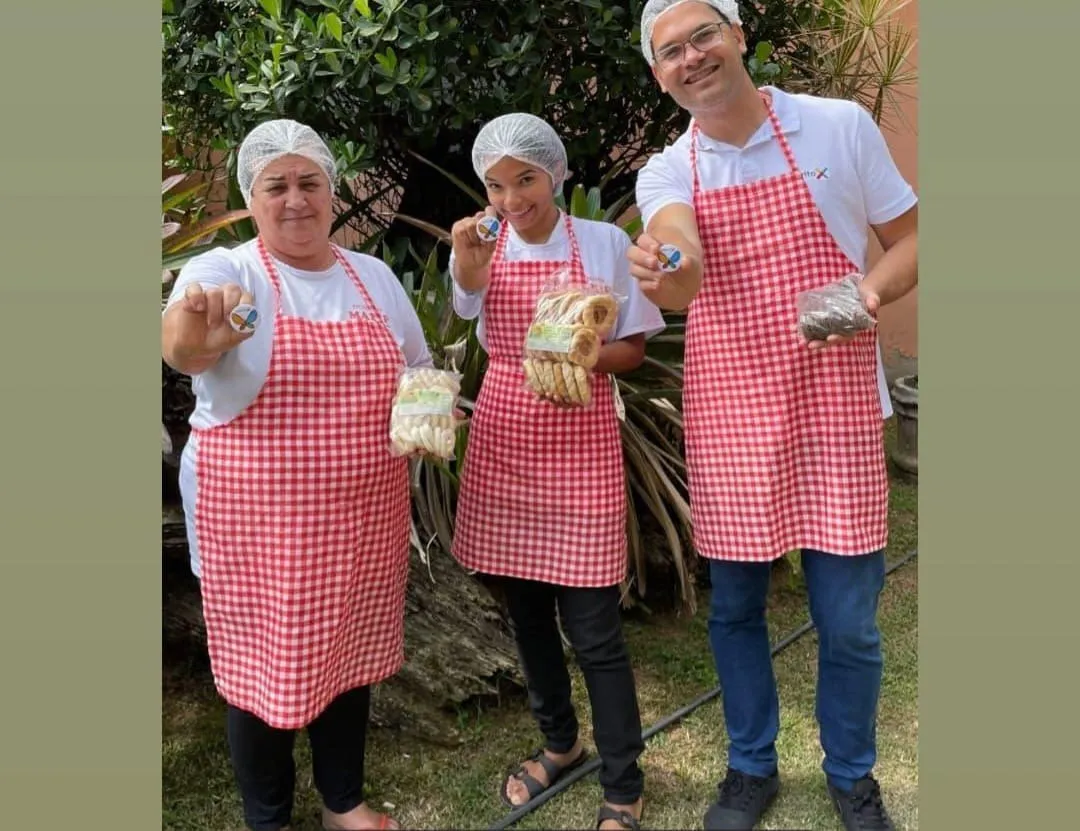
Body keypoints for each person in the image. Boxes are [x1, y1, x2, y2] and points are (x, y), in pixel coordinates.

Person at [628, 3, 918, 830]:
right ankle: (751, 765)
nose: (692, 58)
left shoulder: (836, 128)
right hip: (735, 415)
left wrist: (866, 292)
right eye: (671, 52)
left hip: (835, 407)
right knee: (735, 609)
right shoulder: (669, 172)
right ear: (660, 74)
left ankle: (853, 774)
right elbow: (680, 265)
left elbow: (911, 239)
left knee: (848, 622)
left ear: (739, 35)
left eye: (703, 36)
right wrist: (665, 263)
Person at [161, 119, 434, 831]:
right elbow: (184, 341)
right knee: (260, 671)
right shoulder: (230, 273)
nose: (295, 199)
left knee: (349, 652)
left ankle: (342, 800)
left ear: (331, 189)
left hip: (363, 516)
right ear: (250, 197)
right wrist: (197, 332)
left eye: (309, 182)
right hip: (258, 524)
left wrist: (433, 414)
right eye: (275, 185)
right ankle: (269, 817)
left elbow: (419, 369)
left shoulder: (371, 277)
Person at [448, 113, 665, 831]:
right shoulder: (483, 248)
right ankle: (561, 743)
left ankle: (624, 780)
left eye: (526, 180)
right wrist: (464, 256)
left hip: (581, 443)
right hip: (507, 439)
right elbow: (467, 302)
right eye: (497, 185)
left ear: (556, 174)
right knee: (528, 613)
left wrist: (578, 356)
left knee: (595, 627)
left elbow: (631, 347)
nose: (512, 199)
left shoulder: (602, 243)